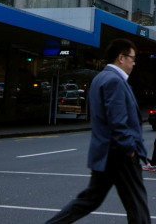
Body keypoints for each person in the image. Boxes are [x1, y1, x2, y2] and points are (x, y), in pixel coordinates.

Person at [45, 39, 150, 224]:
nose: (134, 63)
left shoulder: (100, 78)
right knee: (137, 205)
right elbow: (117, 120)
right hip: (120, 155)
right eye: (132, 58)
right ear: (121, 58)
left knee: (88, 200)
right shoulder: (114, 81)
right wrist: (130, 149)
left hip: (105, 154)